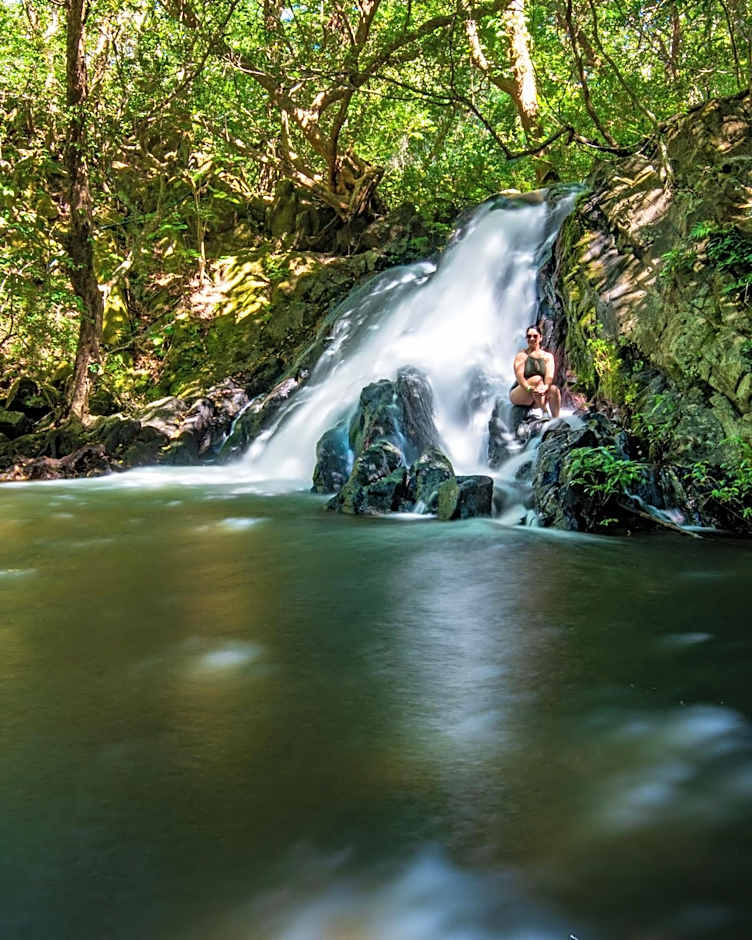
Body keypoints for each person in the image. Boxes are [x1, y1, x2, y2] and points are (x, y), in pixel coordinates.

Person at [509, 324, 561, 418]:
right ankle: (545, 412)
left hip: (539, 393)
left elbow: (549, 376)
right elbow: (520, 377)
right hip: (521, 393)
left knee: (554, 390)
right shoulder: (521, 356)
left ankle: (555, 421)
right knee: (537, 379)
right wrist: (529, 388)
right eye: (529, 336)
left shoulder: (548, 357)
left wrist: (545, 387)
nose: (532, 339)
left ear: (541, 338)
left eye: (535, 336)